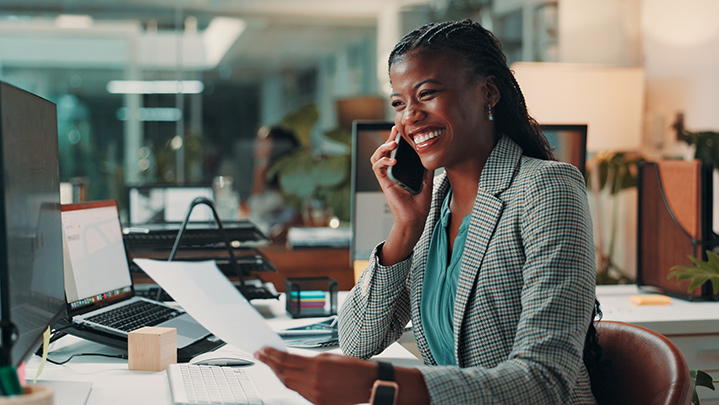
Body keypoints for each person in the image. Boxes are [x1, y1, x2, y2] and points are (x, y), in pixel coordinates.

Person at [255, 19, 600, 404]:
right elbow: (356, 340)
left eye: (427, 93)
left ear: (488, 92)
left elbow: (545, 379)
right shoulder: (434, 207)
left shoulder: (546, 188)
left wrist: (393, 385)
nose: (410, 116)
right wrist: (405, 228)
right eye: (399, 103)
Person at [245, 125, 302, 239]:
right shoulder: (269, 177)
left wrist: (261, 165)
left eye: (264, 142)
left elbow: (255, 208)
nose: (258, 146)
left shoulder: (287, 180)